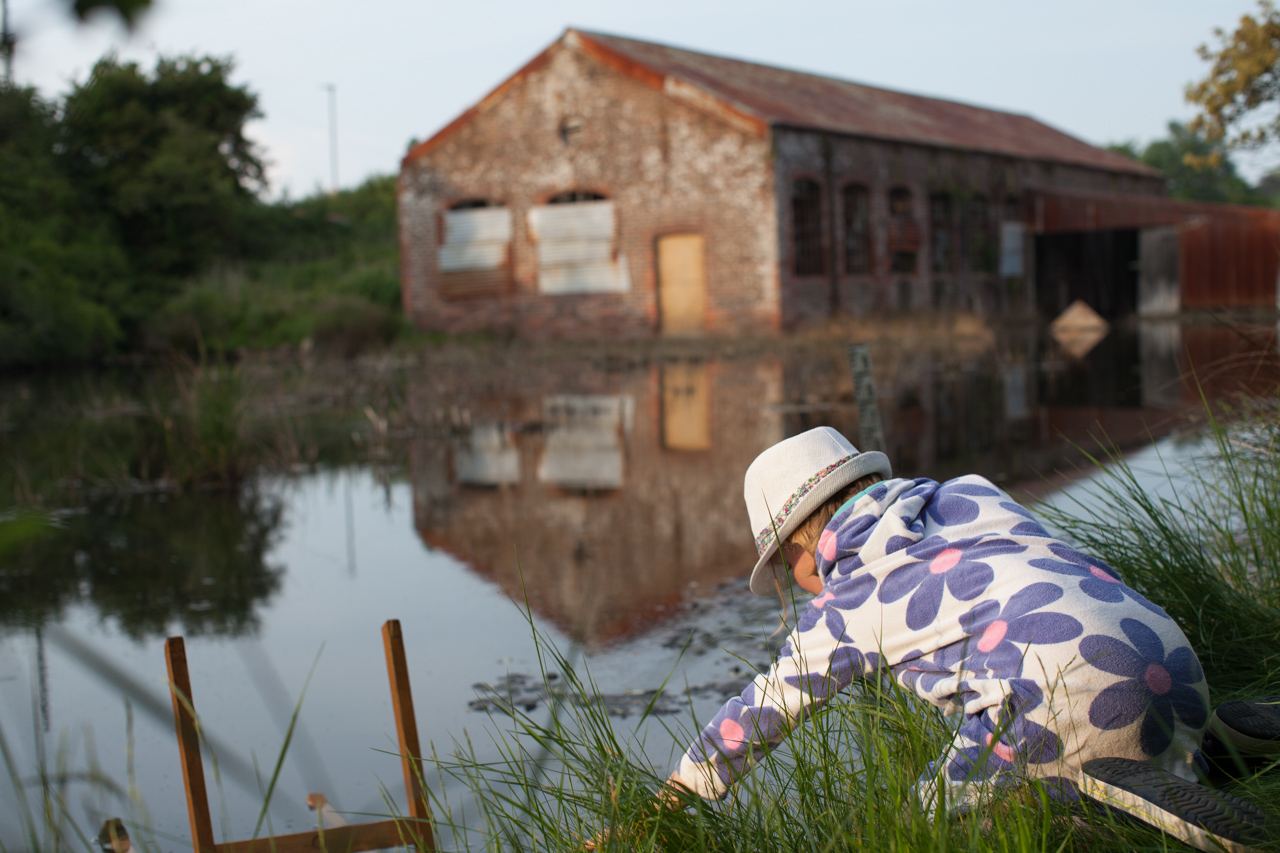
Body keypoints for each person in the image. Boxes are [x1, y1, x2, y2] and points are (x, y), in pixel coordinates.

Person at [659, 427, 1276, 852]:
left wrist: (670, 801)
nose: (803, 592)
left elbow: (758, 714)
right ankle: (1210, 743)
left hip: (1062, 705)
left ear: (802, 548)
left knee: (914, 828)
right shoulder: (972, 493)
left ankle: (1109, 799)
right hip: (1171, 662)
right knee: (1123, 709)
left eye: (789, 574)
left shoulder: (846, 601)